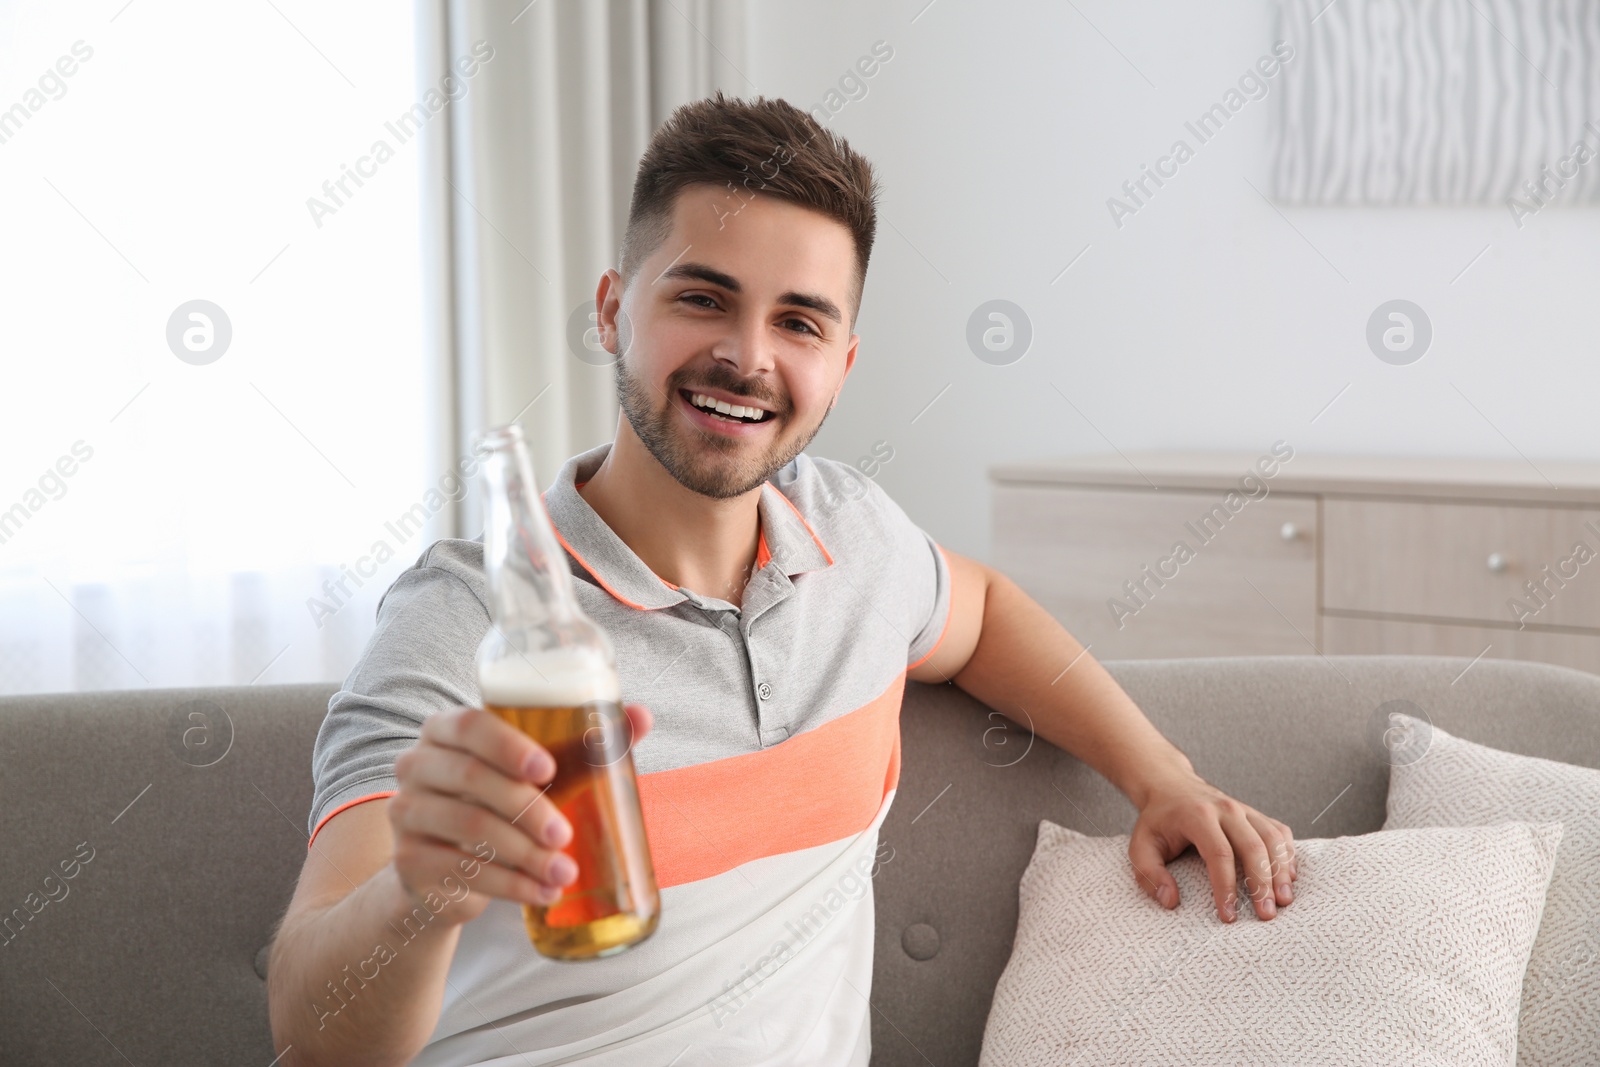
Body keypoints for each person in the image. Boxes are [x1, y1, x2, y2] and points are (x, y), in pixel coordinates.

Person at [266, 92, 1298, 1066]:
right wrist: (421, 890)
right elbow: (310, 1035)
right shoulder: (468, 617)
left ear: (842, 365)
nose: (745, 355)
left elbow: (979, 614)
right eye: (703, 297)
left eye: (798, 321)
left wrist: (1159, 775)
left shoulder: (856, 537)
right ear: (613, 310)